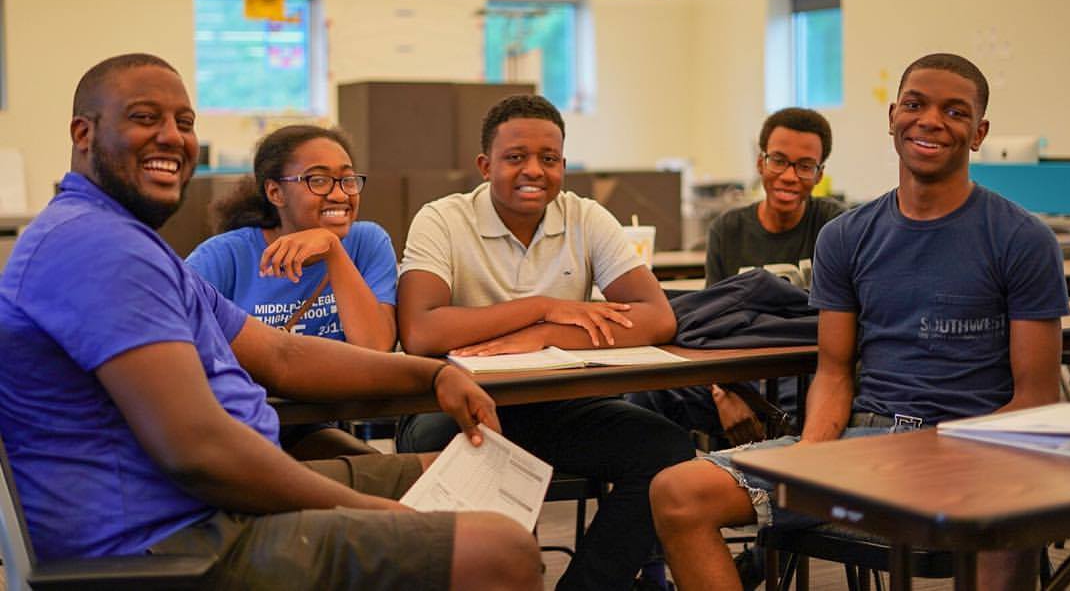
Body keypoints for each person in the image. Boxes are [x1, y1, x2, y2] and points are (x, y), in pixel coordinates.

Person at [0, 53, 542, 590]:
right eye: (145, 118)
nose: (171, 137)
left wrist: (431, 375)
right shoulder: (96, 246)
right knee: (499, 551)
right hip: (168, 540)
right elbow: (198, 450)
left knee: (476, 478)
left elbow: (282, 357)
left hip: (212, 505)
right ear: (83, 133)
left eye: (184, 123)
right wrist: (369, 510)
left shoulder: (130, 243)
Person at [649, 52, 1070, 591]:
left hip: (974, 451)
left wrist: (942, 452)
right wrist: (812, 455)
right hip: (863, 444)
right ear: (893, 115)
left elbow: (1034, 399)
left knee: (1015, 510)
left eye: (955, 111)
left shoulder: (1021, 238)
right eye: (915, 105)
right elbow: (834, 371)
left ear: (979, 132)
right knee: (676, 492)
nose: (931, 120)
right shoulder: (846, 237)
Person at [395, 94, 695, 590]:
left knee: (665, 448)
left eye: (549, 159)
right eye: (515, 158)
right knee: (462, 454)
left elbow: (656, 318)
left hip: (554, 405)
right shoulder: (442, 219)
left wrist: (540, 335)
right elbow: (422, 332)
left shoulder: (586, 217)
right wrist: (540, 306)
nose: (533, 171)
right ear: (485, 165)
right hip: (454, 407)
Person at [627, 107, 844, 446]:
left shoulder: (837, 227)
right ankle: (666, 485)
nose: (789, 176)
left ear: (819, 174)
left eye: (804, 166)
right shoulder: (729, 229)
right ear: (761, 164)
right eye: (779, 161)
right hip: (733, 375)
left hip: (803, 373)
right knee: (646, 398)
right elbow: (710, 325)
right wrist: (724, 394)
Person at [188, 124, 397, 459]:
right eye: (318, 180)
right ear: (275, 193)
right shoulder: (224, 257)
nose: (340, 194)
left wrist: (333, 250)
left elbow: (375, 348)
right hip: (240, 427)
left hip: (315, 424)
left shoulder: (367, 243)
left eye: (347, 179)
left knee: (378, 470)